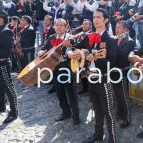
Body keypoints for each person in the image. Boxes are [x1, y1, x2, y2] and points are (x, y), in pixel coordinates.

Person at [82, 8, 118, 143]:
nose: (95, 20)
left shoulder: (111, 40)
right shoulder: (89, 36)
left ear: (106, 20)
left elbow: (112, 63)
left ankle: (112, 139)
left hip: (104, 79)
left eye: (98, 17)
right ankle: (98, 136)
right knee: (96, 110)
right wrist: (76, 53)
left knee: (108, 112)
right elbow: (77, 48)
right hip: (90, 78)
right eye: (94, 17)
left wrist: (96, 58)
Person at [38, 18, 80, 126]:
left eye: (61, 25)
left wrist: (68, 47)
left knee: (71, 92)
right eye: (57, 25)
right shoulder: (51, 37)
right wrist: (41, 51)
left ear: (66, 27)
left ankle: (76, 116)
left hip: (67, 68)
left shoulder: (70, 37)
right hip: (55, 68)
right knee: (59, 92)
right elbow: (44, 48)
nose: (59, 27)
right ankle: (66, 112)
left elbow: (75, 50)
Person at [0, 12, 19, 124]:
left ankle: (14, 113)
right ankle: (0, 106)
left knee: (8, 88)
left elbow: (8, 51)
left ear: (1, 19)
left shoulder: (5, 31)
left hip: (3, 64)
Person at [112, 21, 134, 129]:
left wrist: (114, 43)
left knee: (124, 96)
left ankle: (127, 118)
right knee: (117, 95)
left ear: (125, 30)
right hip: (114, 71)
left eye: (119, 28)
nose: (116, 29)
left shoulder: (129, 41)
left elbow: (123, 55)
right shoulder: (117, 39)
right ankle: (119, 113)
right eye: (116, 27)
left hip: (123, 72)